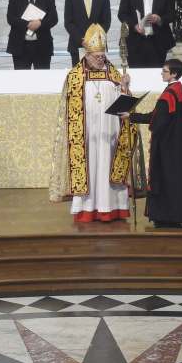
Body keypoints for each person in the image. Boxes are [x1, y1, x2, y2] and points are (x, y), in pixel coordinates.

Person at [48, 24, 135, 222]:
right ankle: (87, 208)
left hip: (110, 134)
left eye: (103, 56)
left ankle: (113, 207)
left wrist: (124, 87)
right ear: (86, 55)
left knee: (108, 167)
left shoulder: (114, 74)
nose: (100, 59)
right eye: (97, 57)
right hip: (86, 135)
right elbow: (68, 106)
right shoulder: (75, 76)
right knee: (90, 168)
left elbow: (124, 103)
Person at [128, 58, 182, 228]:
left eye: (165, 71)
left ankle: (166, 216)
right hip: (175, 145)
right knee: (174, 179)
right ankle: (175, 215)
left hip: (167, 147)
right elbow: (159, 116)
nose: (162, 73)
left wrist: (130, 117)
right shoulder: (176, 90)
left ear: (174, 73)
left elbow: (158, 120)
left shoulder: (169, 94)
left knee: (165, 179)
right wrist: (133, 117)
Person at [117, 0, 176, 68]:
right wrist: (134, 26)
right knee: (137, 75)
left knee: (156, 75)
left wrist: (159, 19)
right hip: (135, 42)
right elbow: (122, 14)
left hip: (158, 42)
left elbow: (172, 14)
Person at [6, 0, 58, 70]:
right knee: (21, 80)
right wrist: (27, 24)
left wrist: (40, 24)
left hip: (42, 45)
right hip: (20, 46)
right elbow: (10, 18)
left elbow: (53, 18)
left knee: (43, 79)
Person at [63, 0, 112, 66]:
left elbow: (106, 21)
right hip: (77, 45)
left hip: (98, 47)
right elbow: (68, 22)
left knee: (98, 77)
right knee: (79, 78)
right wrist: (82, 40)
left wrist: (94, 40)